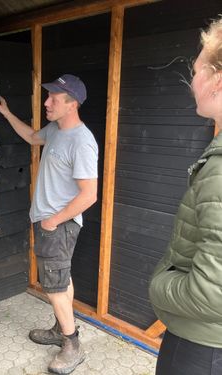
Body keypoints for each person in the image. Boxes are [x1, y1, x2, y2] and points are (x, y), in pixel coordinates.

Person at [0, 74, 98, 374]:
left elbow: (89, 195)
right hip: (48, 222)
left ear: (72, 104)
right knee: (61, 279)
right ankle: (59, 327)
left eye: (54, 98)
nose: (46, 102)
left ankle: (72, 345)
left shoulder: (81, 141)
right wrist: (7, 113)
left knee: (53, 286)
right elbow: (31, 137)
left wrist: (53, 220)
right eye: (48, 95)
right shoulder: (56, 130)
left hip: (58, 225)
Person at [149, 15, 222, 375]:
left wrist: (159, 286)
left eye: (196, 70)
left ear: (217, 80)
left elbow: (213, 293)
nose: (190, 81)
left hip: (202, 348)